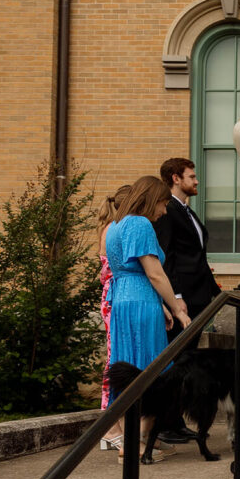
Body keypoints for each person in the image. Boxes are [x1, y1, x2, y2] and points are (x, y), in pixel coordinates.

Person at [103, 175, 191, 461]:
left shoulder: (116, 225)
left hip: (124, 300)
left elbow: (131, 270)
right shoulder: (140, 224)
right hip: (140, 301)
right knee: (151, 369)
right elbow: (154, 272)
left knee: (129, 366)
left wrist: (161, 306)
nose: (164, 211)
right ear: (152, 199)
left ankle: (142, 437)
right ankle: (136, 441)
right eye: (163, 203)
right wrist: (176, 307)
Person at [153, 157, 220, 444]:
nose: (196, 181)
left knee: (187, 360)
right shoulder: (167, 210)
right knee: (177, 361)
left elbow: (195, 256)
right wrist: (176, 299)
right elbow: (166, 257)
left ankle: (176, 420)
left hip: (200, 295)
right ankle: (167, 423)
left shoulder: (187, 211)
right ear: (175, 178)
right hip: (183, 299)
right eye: (191, 176)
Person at [96, 184, 131, 450]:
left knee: (117, 358)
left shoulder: (115, 228)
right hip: (114, 299)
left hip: (116, 296)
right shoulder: (113, 230)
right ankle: (109, 428)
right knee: (113, 359)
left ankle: (116, 425)